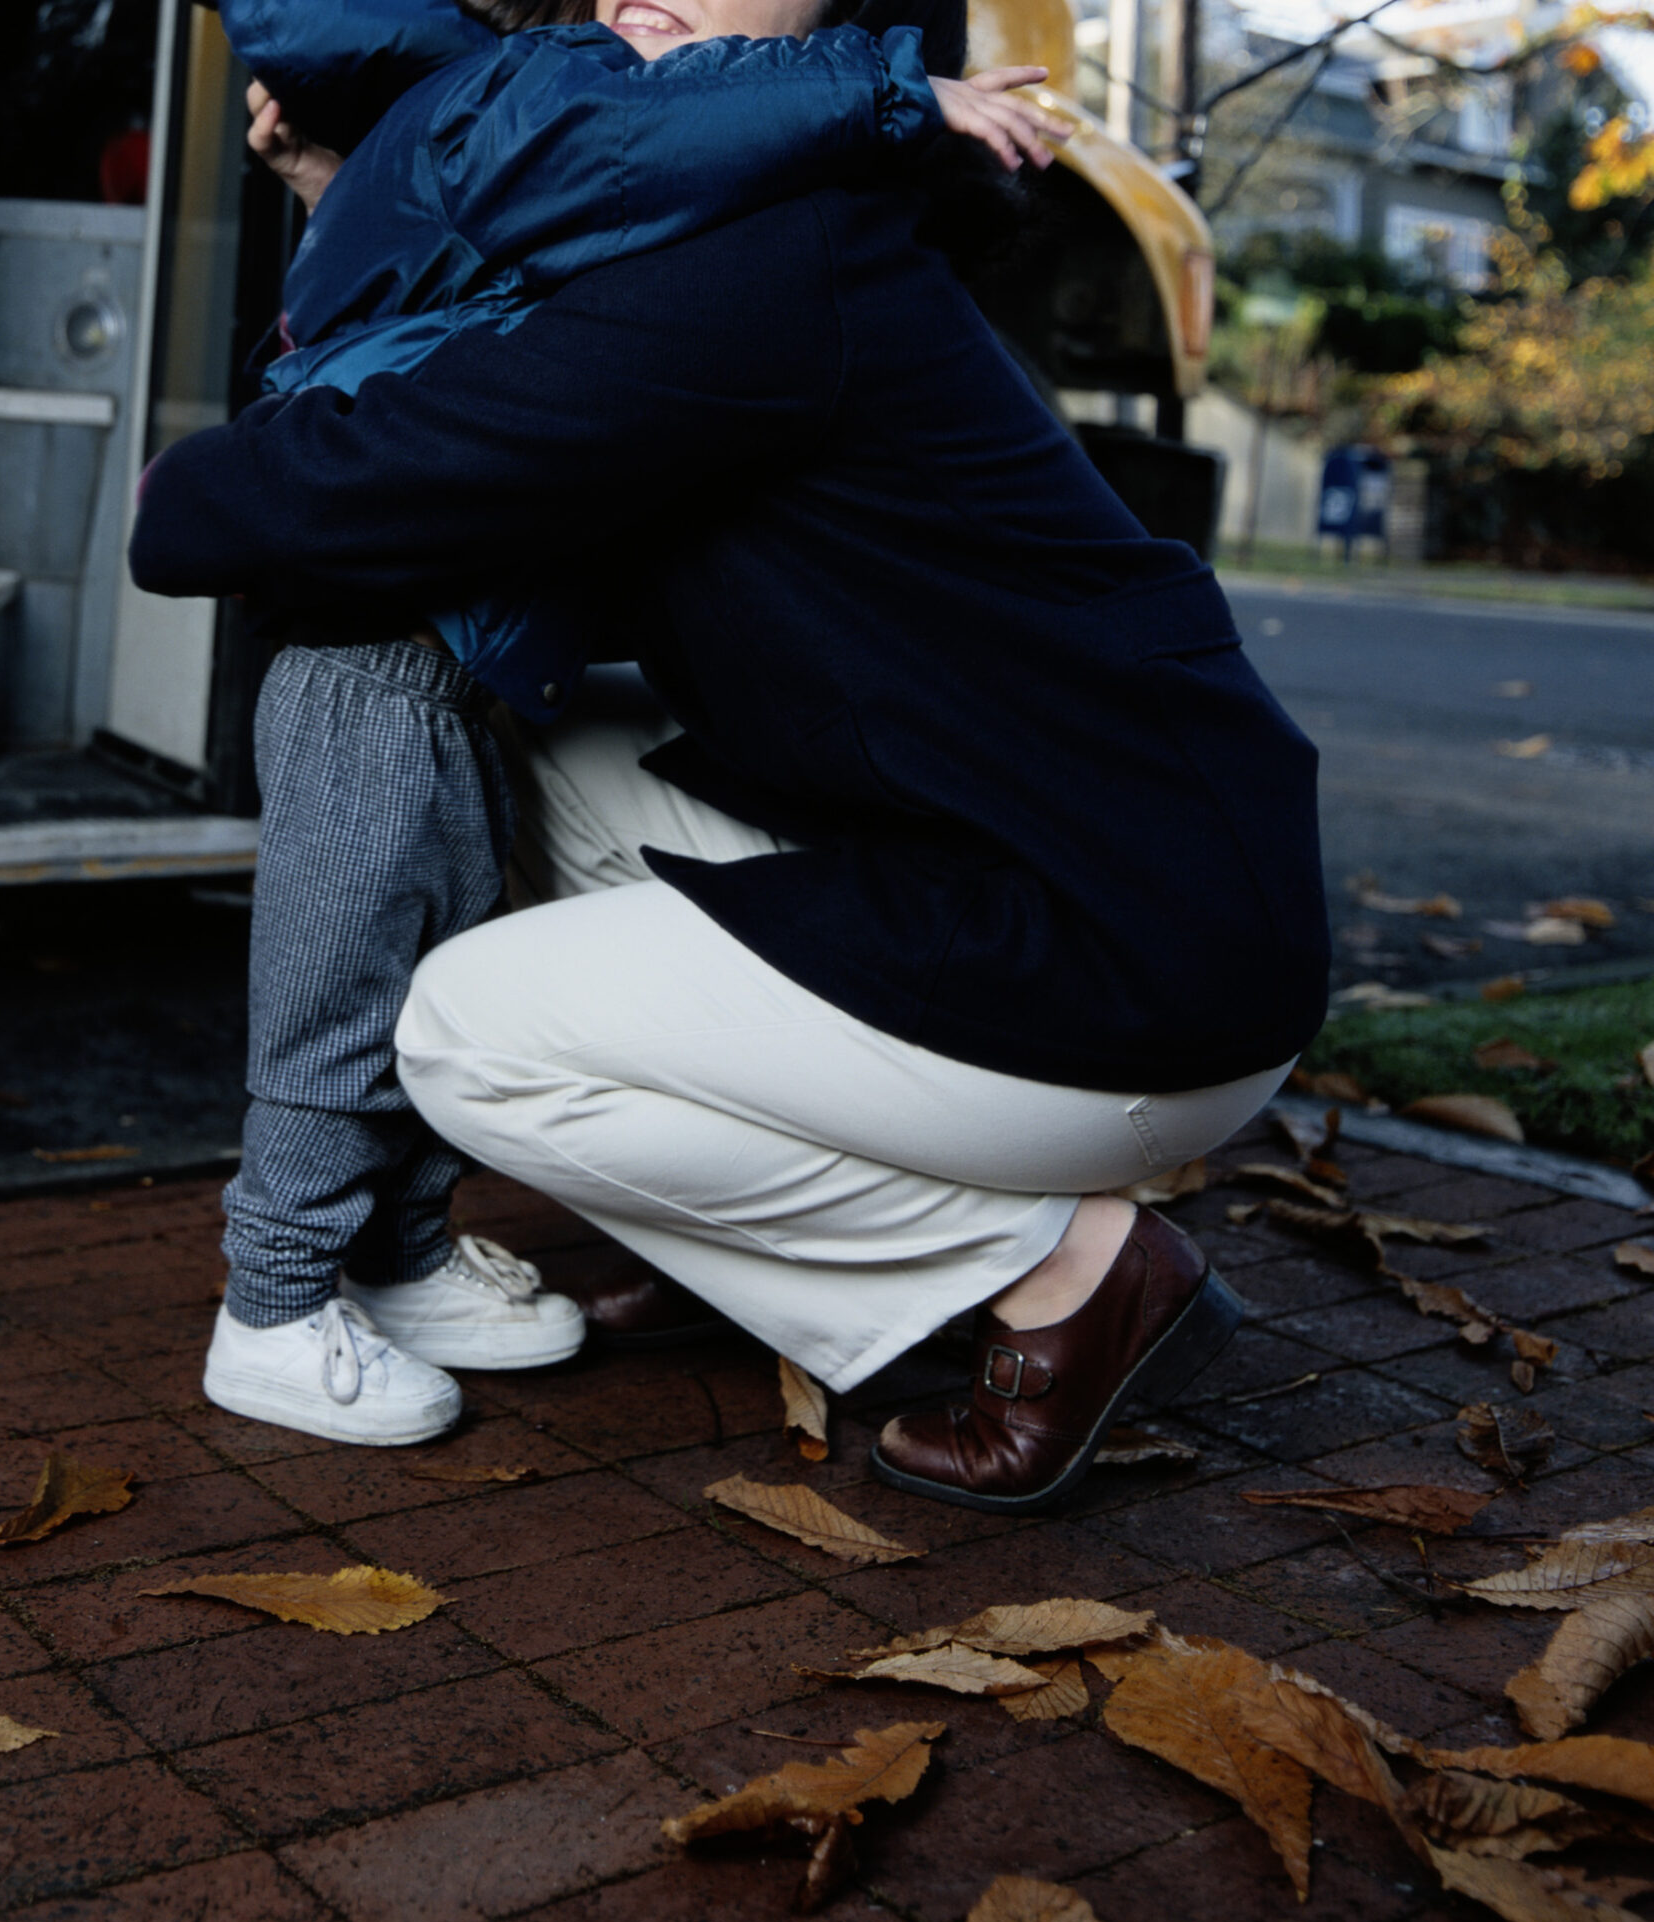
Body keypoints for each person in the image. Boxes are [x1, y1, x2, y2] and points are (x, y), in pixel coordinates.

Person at [132, 0, 1332, 1511]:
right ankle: (757, 1245)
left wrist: (172, 478)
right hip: (1082, 863)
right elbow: (503, 311)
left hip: (1137, 957)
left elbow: (328, 483)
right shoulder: (771, 235)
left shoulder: (767, 273)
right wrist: (351, 185)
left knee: (469, 1038)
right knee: (546, 754)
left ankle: (1068, 1273)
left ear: (851, 33)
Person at [194, 0, 1066, 1451]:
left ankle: (403, 1260)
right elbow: (639, 136)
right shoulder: (550, 90)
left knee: (420, 967)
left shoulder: (567, 137)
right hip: (368, 662)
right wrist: (892, 90)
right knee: (332, 1005)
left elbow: (425, 280)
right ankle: (271, 1308)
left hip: (462, 671)